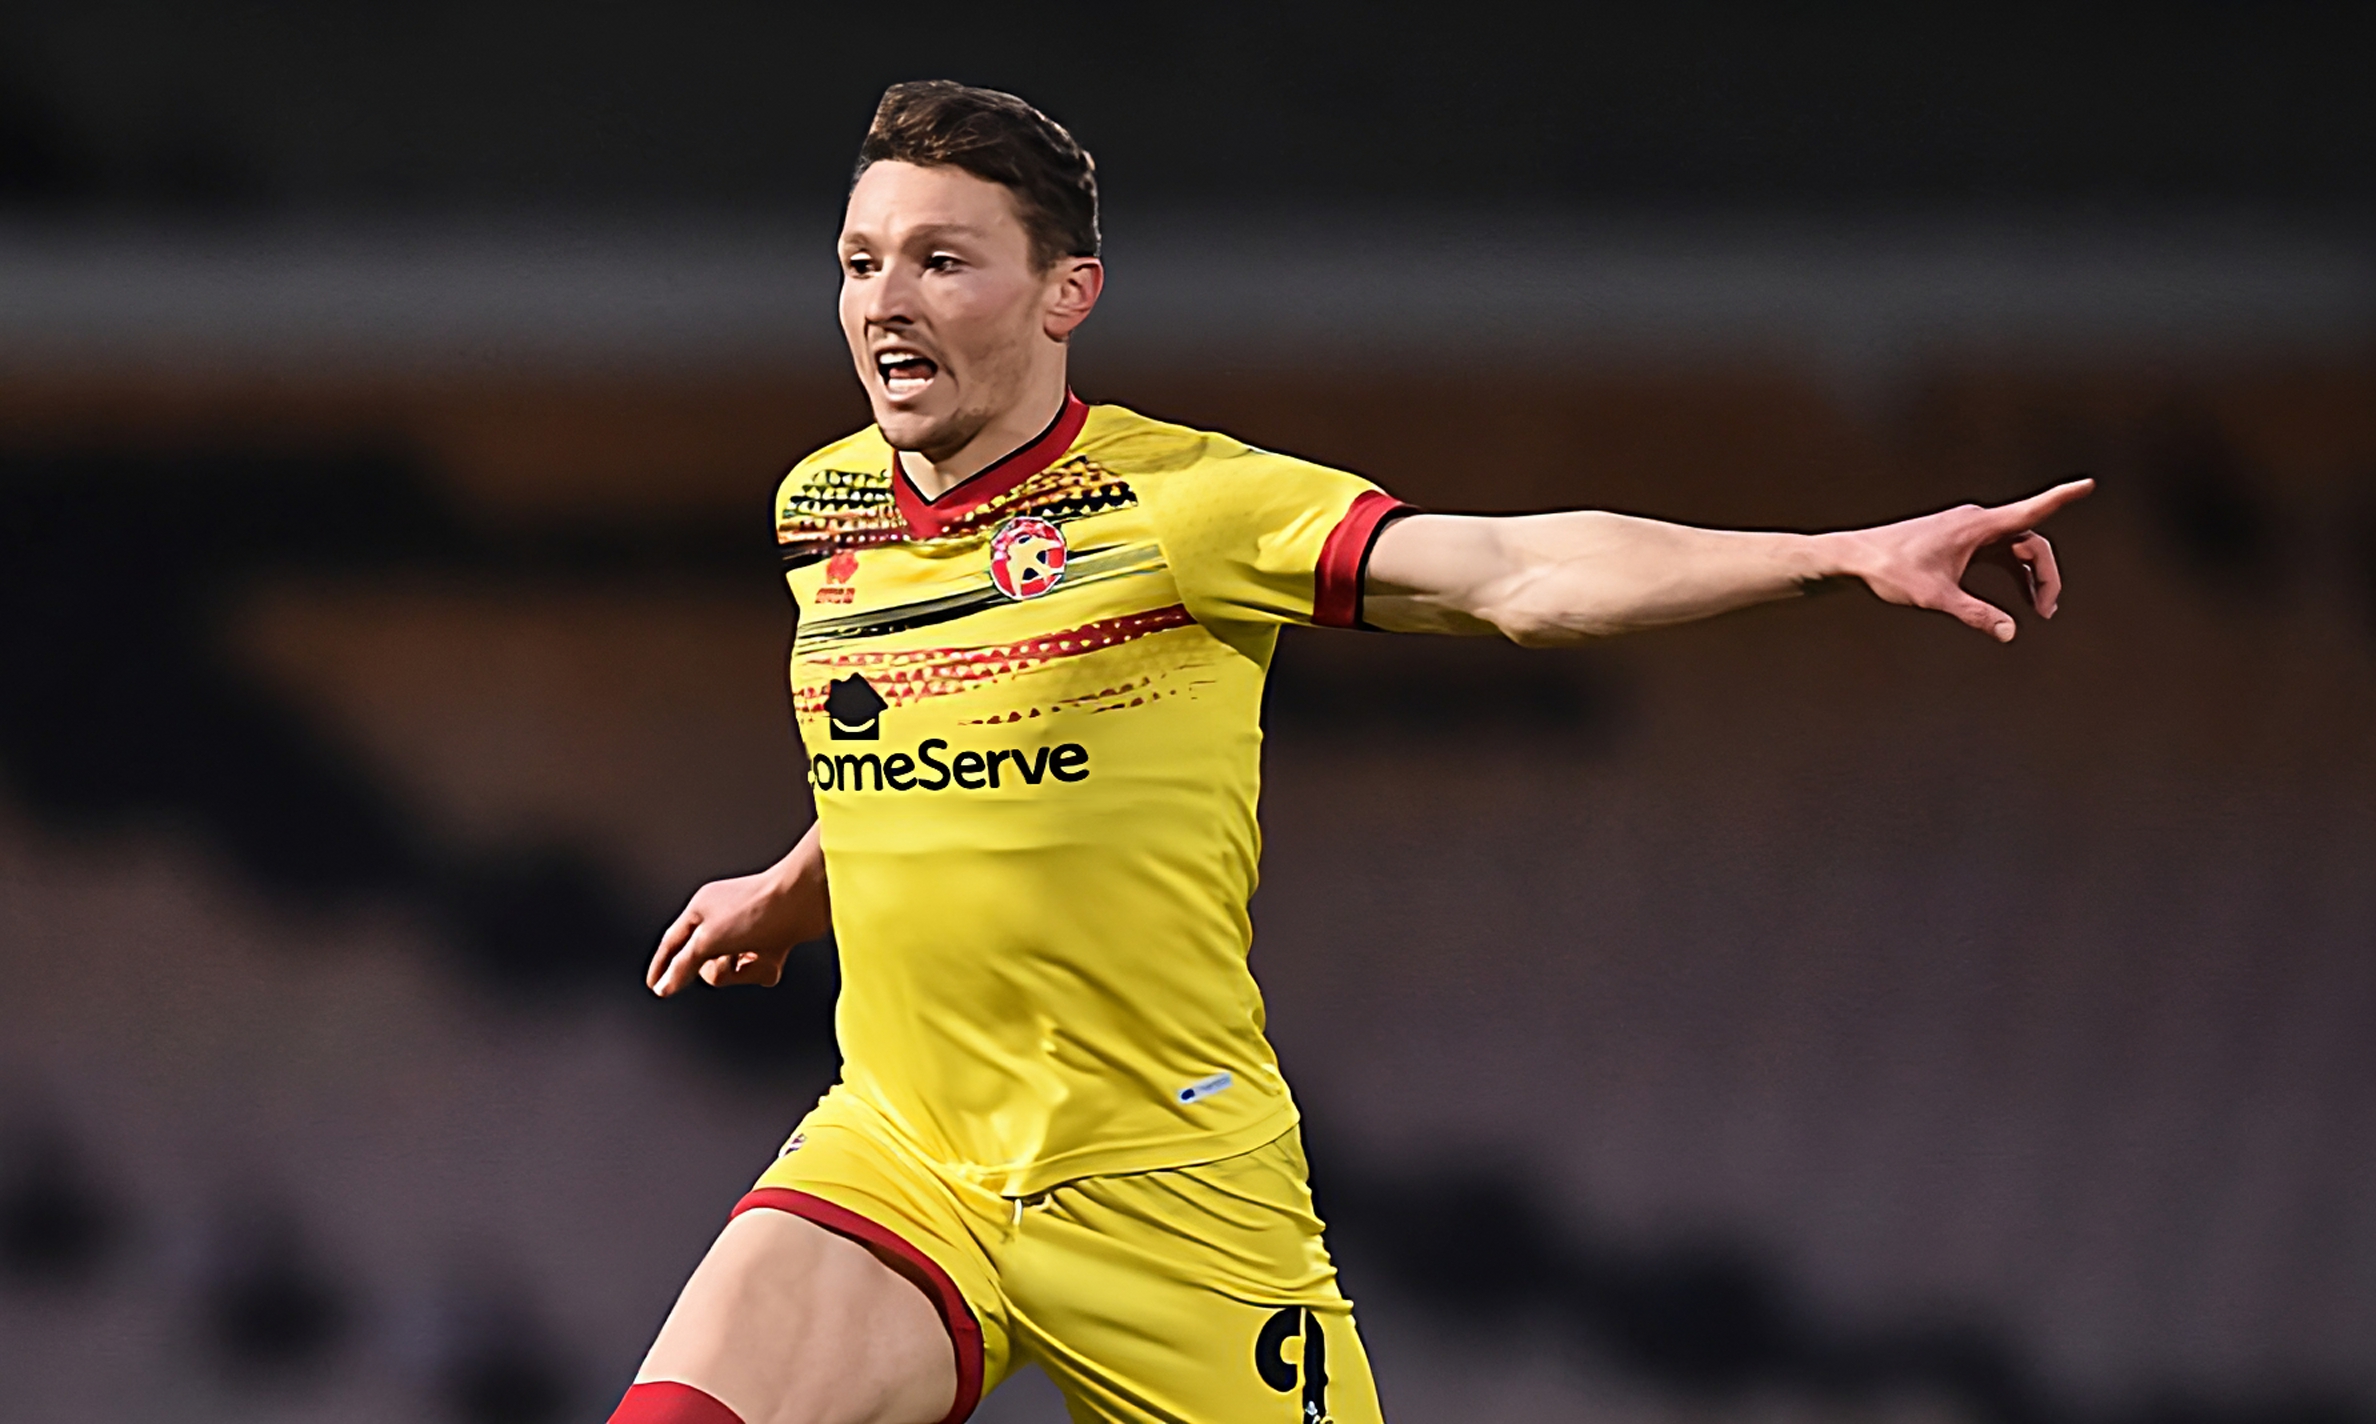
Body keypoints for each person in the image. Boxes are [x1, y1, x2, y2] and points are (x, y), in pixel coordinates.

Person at [616, 81, 2090, 1424]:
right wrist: (804, 883)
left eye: (943, 259)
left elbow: (1515, 571)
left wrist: (1834, 554)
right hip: (905, 1152)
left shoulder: (1183, 506)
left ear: (1070, 294)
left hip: (1171, 1193)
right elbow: (926, 720)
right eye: (861, 260)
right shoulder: (827, 509)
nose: (886, 300)